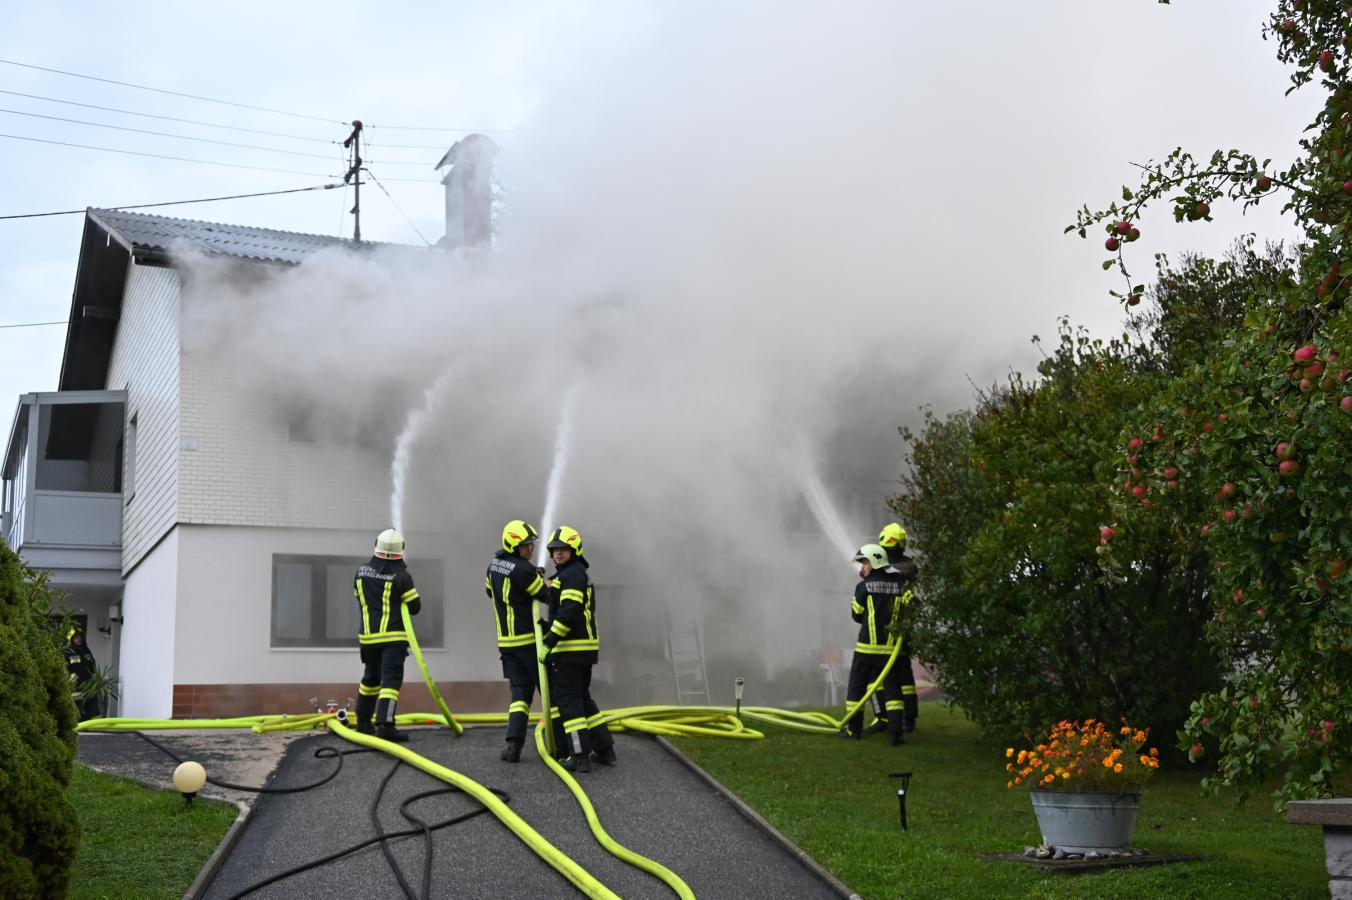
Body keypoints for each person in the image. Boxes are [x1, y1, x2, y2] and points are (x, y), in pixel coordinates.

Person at [538, 525, 615, 773]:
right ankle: (605, 749)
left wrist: (549, 641)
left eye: (563, 549)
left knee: (569, 703)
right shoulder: (574, 574)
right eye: (554, 550)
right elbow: (560, 601)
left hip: (569, 651)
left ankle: (579, 755)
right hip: (583, 650)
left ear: (574, 550)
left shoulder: (571, 575)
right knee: (583, 700)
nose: (557, 554)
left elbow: (569, 612)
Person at [486, 519, 549, 763]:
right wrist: (544, 581)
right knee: (550, 690)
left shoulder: (493, 566)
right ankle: (562, 743)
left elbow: (490, 591)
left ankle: (513, 747)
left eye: (531, 544)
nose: (531, 549)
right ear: (513, 546)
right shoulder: (524, 570)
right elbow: (545, 595)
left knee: (520, 695)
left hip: (507, 644)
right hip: (528, 642)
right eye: (525, 545)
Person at [353, 528, 421, 743]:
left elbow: (359, 597)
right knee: (390, 682)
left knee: (370, 679)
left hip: (368, 639)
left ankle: (363, 722)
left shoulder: (362, 572)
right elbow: (415, 607)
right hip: (393, 639)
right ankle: (385, 724)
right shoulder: (402, 577)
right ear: (400, 550)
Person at [843, 543, 912, 745]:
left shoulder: (863, 587)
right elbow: (914, 605)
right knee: (893, 691)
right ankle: (896, 734)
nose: (861, 568)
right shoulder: (900, 584)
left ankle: (852, 730)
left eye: (864, 562)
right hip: (889, 652)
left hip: (865, 650)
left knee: (856, 689)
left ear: (874, 562)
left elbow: (856, 615)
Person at [878, 522, 920, 733]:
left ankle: (891, 718)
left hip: (893, 631)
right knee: (903, 675)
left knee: (887, 674)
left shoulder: (904, 566)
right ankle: (905, 718)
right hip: (897, 630)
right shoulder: (902, 565)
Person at [65, 626, 98, 721]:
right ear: (71, 639)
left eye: (80, 637)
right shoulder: (67, 652)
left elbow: (93, 666)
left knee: (92, 706)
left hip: (89, 685)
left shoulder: (86, 651)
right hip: (75, 686)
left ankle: (92, 726)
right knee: (76, 708)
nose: (79, 639)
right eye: (76, 637)